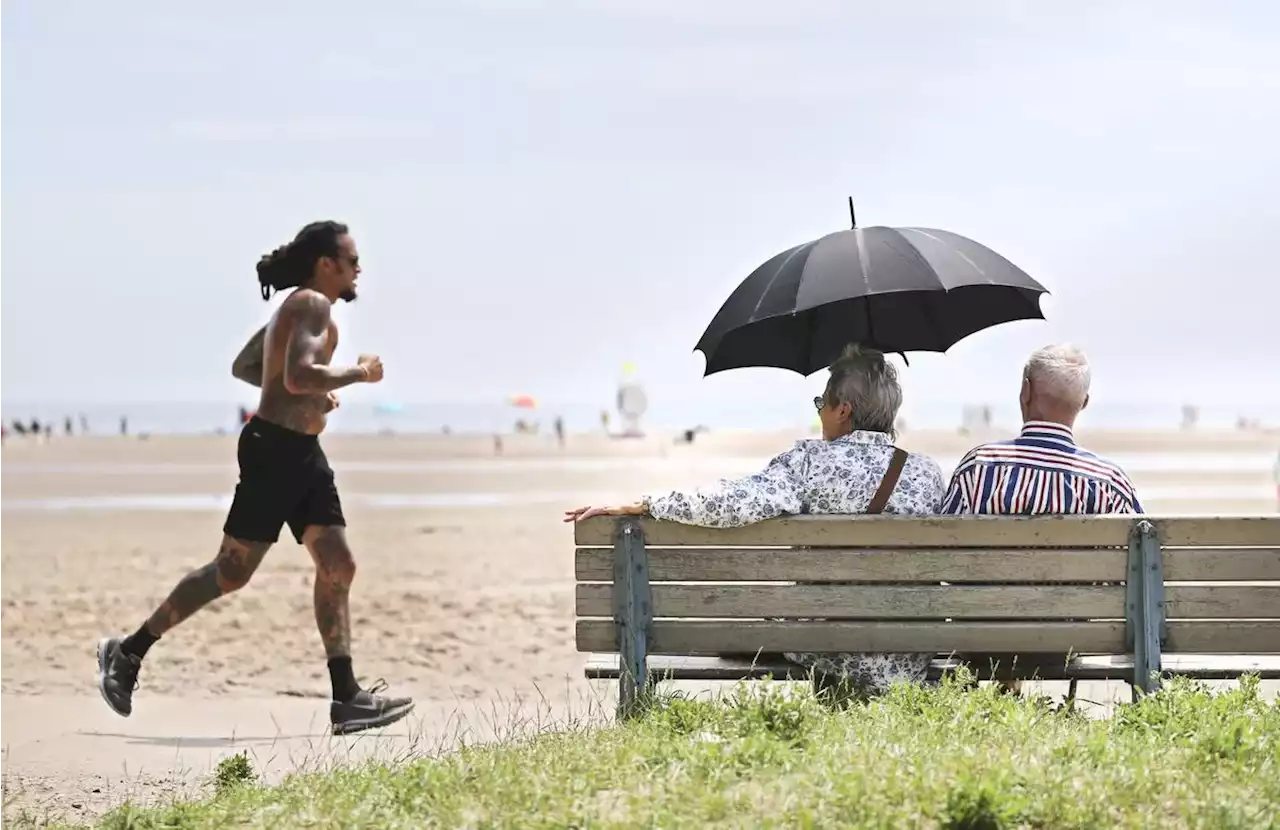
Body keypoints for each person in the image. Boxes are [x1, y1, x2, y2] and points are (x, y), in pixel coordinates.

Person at [96, 220, 414, 735]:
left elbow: (252, 366)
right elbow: (293, 375)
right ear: (326, 264)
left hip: (303, 452)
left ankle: (347, 699)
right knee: (230, 572)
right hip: (274, 453)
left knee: (338, 564)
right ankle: (127, 653)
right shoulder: (309, 304)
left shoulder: (303, 309)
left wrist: (310, 395)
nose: (360, 269)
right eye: (352, 260)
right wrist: (356, 374)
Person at [565, 344, 946, 701]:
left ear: (843, 410)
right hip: (906, 650)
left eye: (821, 403)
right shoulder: (926, 473)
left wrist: (647, 504)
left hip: (829, 645)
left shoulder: (807, 463)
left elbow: (730, 503)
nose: (819, 413)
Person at [941, 344, 1141, 515]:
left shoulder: (977, 467)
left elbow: (943, 546)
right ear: (1084, 403)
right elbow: (1144, 549)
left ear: (1025, 391)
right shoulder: (1110, 483)